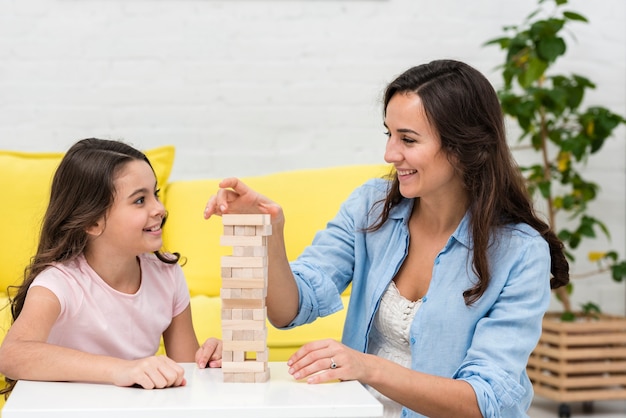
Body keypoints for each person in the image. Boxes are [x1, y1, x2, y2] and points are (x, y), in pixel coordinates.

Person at [203, 59, 569, 417]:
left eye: (407, 139)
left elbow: (485, 401)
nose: (390, 154)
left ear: (465, 147)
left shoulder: (520, 253)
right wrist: (270, 232)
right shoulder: (370, 206)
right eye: (389, 134)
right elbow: (288, 311)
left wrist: (368, 368)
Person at [0, 138, 222, 396]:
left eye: (156, 194)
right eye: (140, 200)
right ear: (93, 222)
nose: (159, 208)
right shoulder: (59, 283)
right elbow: (12, 355)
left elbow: (186, 371)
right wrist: (122, 370)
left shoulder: (167, 275)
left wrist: (209, 360)